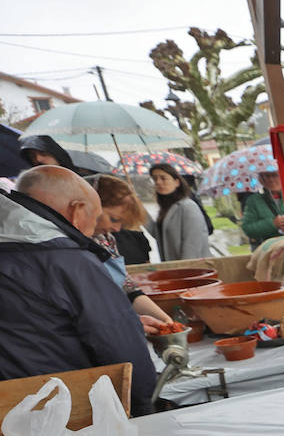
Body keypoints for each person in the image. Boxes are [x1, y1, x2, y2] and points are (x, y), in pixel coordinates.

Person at [0, 166, 157, 414]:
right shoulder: (69, 261)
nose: (94, 229)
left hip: (11, 413)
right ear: (77, 210)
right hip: (64, 410)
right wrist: (143, 405)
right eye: (94, 218)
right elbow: (120, 347)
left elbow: (33, 323)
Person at [90, 174, 175, 328]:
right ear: (92, 205)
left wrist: (166, 320)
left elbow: (128, 288)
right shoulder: (67, 245)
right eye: (114, 219)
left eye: (121, 224)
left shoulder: (106, 239)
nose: (116, 229)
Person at [149, 163, 210, 261]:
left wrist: (183, 269)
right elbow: (158, 234)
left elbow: (192, 244)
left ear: (177, 182)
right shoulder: (166, 208)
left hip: (190, 269)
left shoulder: (188, 207)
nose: (158, 182)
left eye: (163, 178)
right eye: (155, 179)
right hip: (174, 269)